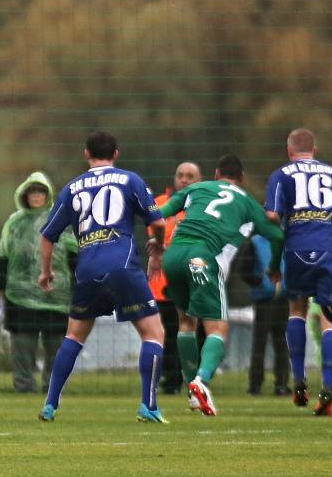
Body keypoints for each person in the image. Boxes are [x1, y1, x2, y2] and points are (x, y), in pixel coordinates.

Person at [38, 131, 168, 423]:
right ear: (116, 154)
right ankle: (148, 405)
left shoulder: (72, 188)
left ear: (86, 153)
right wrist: (157, 248)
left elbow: (47, 238)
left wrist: (46, 272)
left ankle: (50, 403)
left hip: (87, 270)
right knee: (154, 333)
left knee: (73, 335)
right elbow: (157, 222)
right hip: (123, 266)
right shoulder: (130, 179)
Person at [159, 154, 284, 416]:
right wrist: (273, 268)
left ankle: (192, 391)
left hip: (173, 257)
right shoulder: (248, 203)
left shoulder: (195, 189)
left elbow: (158, 214)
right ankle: (201, 380)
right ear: (242, 178)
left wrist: (156, 244)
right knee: (218, 328)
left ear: (215, 174)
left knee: (186, 323)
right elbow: (277, 235)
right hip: (202, 260)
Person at [264, 128, 332, 416]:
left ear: (289, 150)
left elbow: (271, 214)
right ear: (314, 149)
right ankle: (328, 386)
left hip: (297, 249)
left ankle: (299, 382)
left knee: (297, 310)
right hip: (330, 250)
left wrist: (285, 231)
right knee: (329, 318)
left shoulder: (281, 174)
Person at [0, 171, 77, 393]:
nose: (37, 195)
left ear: (47, 194)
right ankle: (24, 387)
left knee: (55, 345)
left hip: (56, 294)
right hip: (19, 296)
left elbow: (73, 255)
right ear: (25, 195)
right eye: (32, 191)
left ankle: (53, 387)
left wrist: (80, 286)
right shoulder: (14, 224)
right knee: (23, 345)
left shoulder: (61, 221)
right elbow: (4, 255)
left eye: (41, 190)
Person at [149, 162, 202, 395]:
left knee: (193, 332)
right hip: (162, 283)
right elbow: (156, 232)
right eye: (180, 175)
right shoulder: (161, 203)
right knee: (167, 333)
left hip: (194, 279)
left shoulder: (204, 205)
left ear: (199, 181)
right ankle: (169, 381)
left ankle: (194, 380)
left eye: (190, 176)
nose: (184, 179)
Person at [238, 234, 290, 396]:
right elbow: (243, 270)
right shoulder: (255, 243)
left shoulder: (284, 239)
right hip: (265, 299)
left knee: (277, 342)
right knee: (265, 342)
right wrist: (259, 282)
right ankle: (258, 385)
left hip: (281, 298)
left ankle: (277, 384)